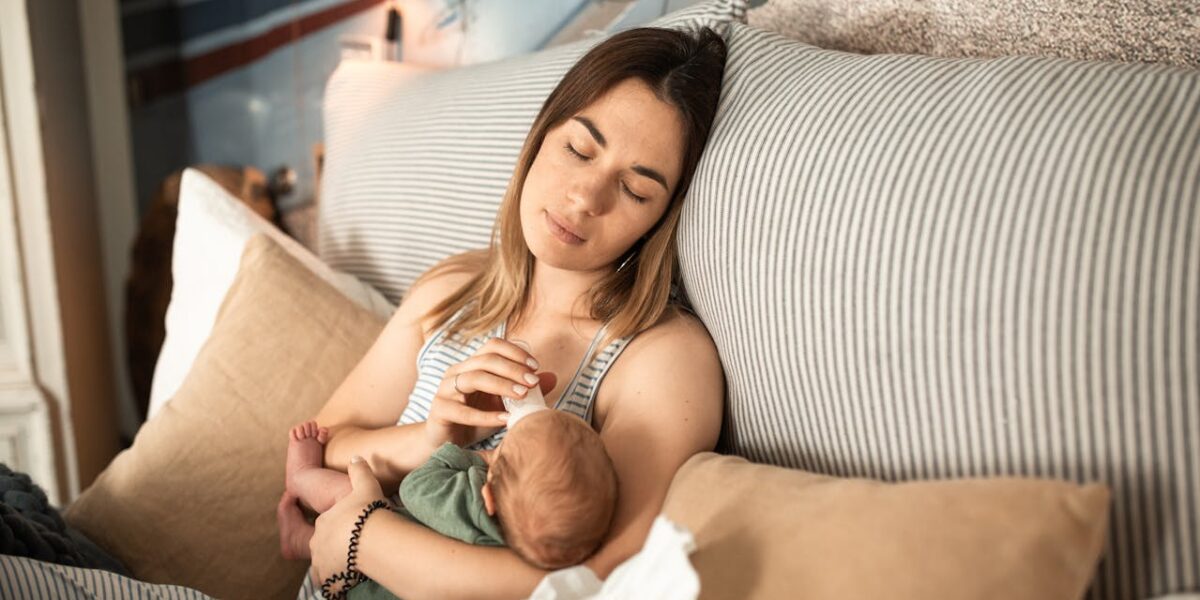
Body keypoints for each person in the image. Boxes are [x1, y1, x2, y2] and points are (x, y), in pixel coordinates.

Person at [278, 24, 729, 598]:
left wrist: (360, 538)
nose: (585, 198)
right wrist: (433, 437)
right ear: (542, 134)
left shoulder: (662, 356)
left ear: (663, 216)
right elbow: (324, 443)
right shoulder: (453, 289)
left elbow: (594, 579)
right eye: (578, 149)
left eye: (636, 191)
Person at [281, 408, 618, 574]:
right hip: (377, 576)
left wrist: (473, 456)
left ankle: (300, 477)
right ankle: (300, 540)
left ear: (487, 497)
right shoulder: (530, 549)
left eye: (501, 452)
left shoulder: (468, 504)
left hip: (372, 580)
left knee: (354, 495)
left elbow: (416, 488)